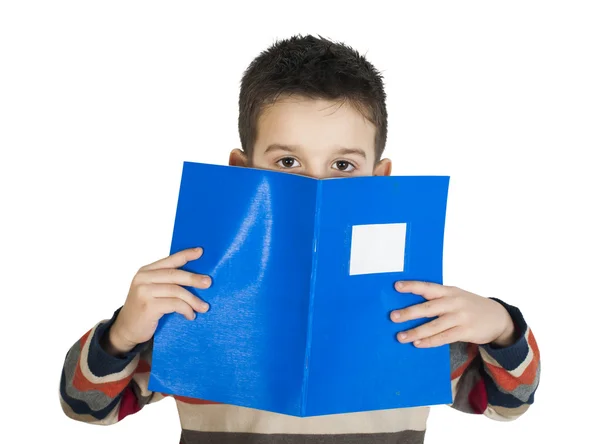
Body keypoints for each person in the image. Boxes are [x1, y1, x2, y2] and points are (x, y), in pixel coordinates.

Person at [59, 34, 540, 444]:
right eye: (287, 162)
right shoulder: (194, 301)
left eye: (343, 165)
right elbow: (86, 406)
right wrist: (123, 332)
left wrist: (501, 326)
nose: (316, 187)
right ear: (243, 172)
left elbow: (506, 403)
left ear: (379, 178)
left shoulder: (414, 312)